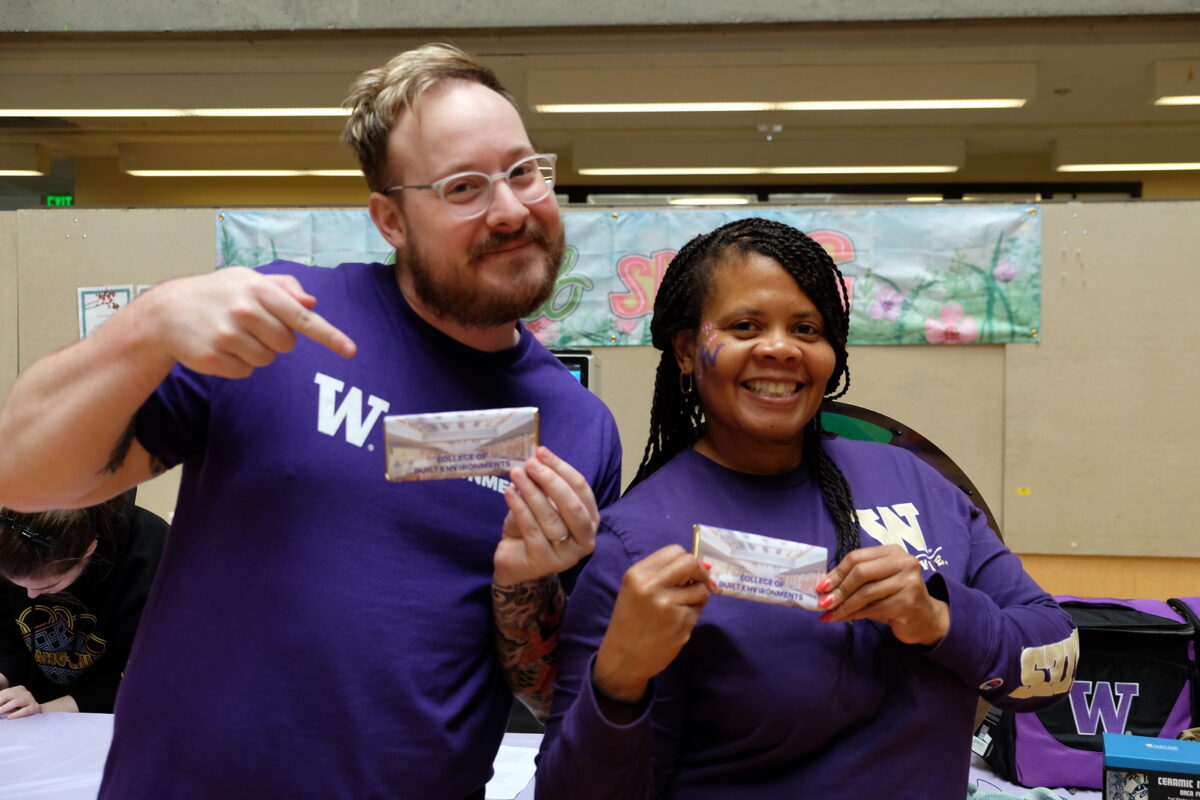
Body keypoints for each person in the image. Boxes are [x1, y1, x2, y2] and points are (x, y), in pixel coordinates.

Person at [0, 44, 622, 798]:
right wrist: (147, 326)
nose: (511, 209)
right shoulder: (278, 322)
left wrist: (527, 585)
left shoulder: (578, 425)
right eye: (463, 186)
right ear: (390, 218)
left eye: (523, 171)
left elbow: (553, 690)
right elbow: (20, 474)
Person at [534, 217, 1078, 798]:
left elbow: (1055, 666)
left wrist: (937, 618)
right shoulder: (637, 543)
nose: (779, 347)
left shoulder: (912, 481)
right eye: (745, 325)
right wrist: (618, 681)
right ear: (688, 351)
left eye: (806, 328)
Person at [0, 491, 167, 718]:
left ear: (88, 549)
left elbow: (138, 679)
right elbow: (10, 641)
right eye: (17, 585)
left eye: (48, 586)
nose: (30, 596)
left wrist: (44, 711)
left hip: (112, 715)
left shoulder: (149, 561)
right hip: (35, 704)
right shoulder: (10, 543)